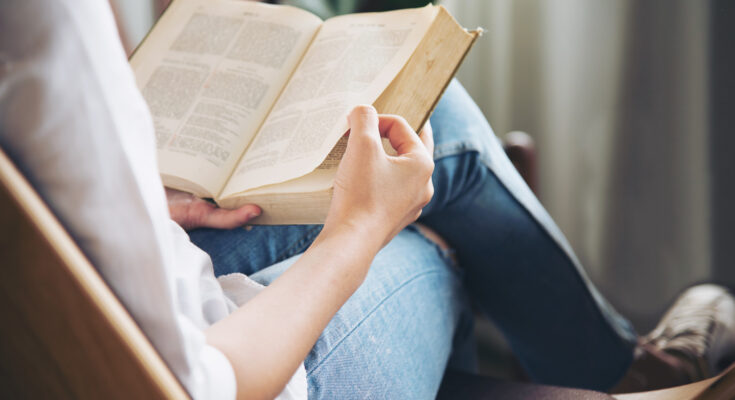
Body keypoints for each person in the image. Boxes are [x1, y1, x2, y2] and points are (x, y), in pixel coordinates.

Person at [1, 0, 733, 399]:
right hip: (208, 368)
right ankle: (627, 374)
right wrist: (356, 231)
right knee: (422, 225)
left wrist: (145, 202)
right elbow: (200, 385)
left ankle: (616, 364)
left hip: (89, 296)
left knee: (427, 131)